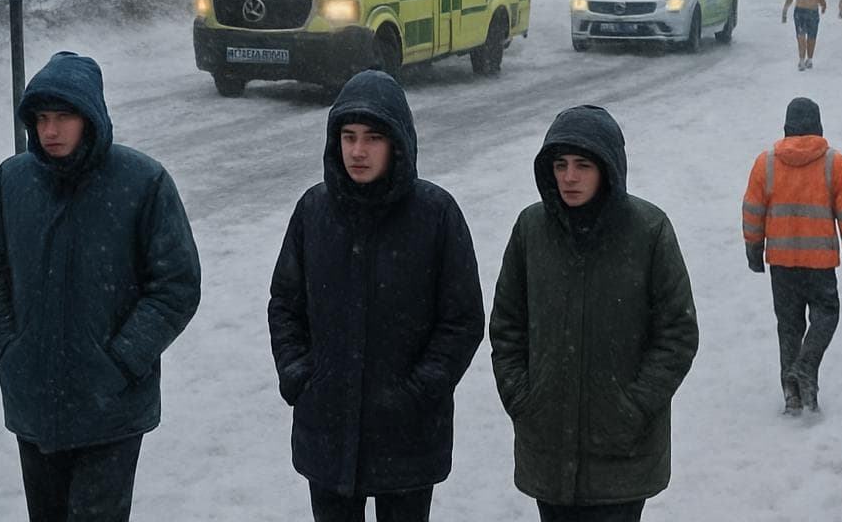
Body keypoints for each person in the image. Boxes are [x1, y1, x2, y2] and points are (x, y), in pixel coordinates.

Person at [0, 51, 201, 522]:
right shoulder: (13, 180)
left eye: (63, 117)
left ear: (90, 117)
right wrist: (8, 345)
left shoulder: (142, 182)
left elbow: (176, 283)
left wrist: (122, 359)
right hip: (34, 401)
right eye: (41, 119)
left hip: (111, 408)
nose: (50, 131)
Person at [268, 69, 484, 522]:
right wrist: (300, 374)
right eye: (348, 137)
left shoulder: (435, 214)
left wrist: (419, 391)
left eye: (372, 138)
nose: (358, 152)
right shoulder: (314, 211)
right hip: (325, 430)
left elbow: (462, 319)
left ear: (397, 143)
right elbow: (285, 305)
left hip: (407, 436)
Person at [490, 105, 699, 521]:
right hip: (546, 446)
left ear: (607, 168)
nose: (569, 177)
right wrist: (522, 398)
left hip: (623, 452)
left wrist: (634, 406)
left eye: (582, 165)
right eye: (560, 165)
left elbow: (677, 333)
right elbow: (507, 325)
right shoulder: (531, 230)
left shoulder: (648, 231)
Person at [741, 96, 842, 415]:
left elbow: (753, 211)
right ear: (819, 126)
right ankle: (807, 367)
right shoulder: (833, 163)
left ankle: (791, 394)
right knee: (827, 313)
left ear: (786, 127)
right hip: (820, 264)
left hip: (781, 263)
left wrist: (754, 249)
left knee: (789, 325)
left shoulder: (766, 163)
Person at [781, 0, 828, 70]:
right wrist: (784, 11)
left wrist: (824, 6)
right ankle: (802, 60)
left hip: (812, 12)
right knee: (801, 37)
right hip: (800, 12)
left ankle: (809, 59)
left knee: (812, 37)